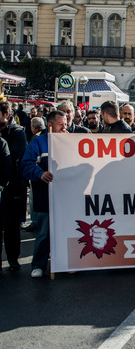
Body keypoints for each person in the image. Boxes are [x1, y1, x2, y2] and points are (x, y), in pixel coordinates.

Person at [21, 110, 68, 278]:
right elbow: (26, 165)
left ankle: (65, 263)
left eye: (66, 123)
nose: (65, 127)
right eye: (61, 124)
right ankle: (39, 265)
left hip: (66, 198)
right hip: (44, 197)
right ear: (50, 125)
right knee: (43, 233)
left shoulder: (70, 141)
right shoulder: (37, 143)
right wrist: (39, 173)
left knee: (65, 231)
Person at [0, 101, 28, 272]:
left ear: (6, 114)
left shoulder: (17, 133)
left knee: (11, 226)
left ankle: (13, 259)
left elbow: (17, 159)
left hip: (13, 187)